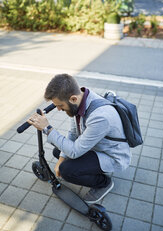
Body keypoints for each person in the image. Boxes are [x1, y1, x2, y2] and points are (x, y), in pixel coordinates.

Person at [28, 74, 131, 204]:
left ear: (73, 98)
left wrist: (48, 129)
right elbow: (73, 133)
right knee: (58, 152)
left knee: (67, 170)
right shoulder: (81, 99)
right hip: (96, 145)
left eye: (60, 105)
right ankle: (85, 169)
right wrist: (61, 160)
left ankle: (104, 183)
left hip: (112, 155)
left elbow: (74, 151)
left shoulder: (100, 117)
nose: (59, 109)